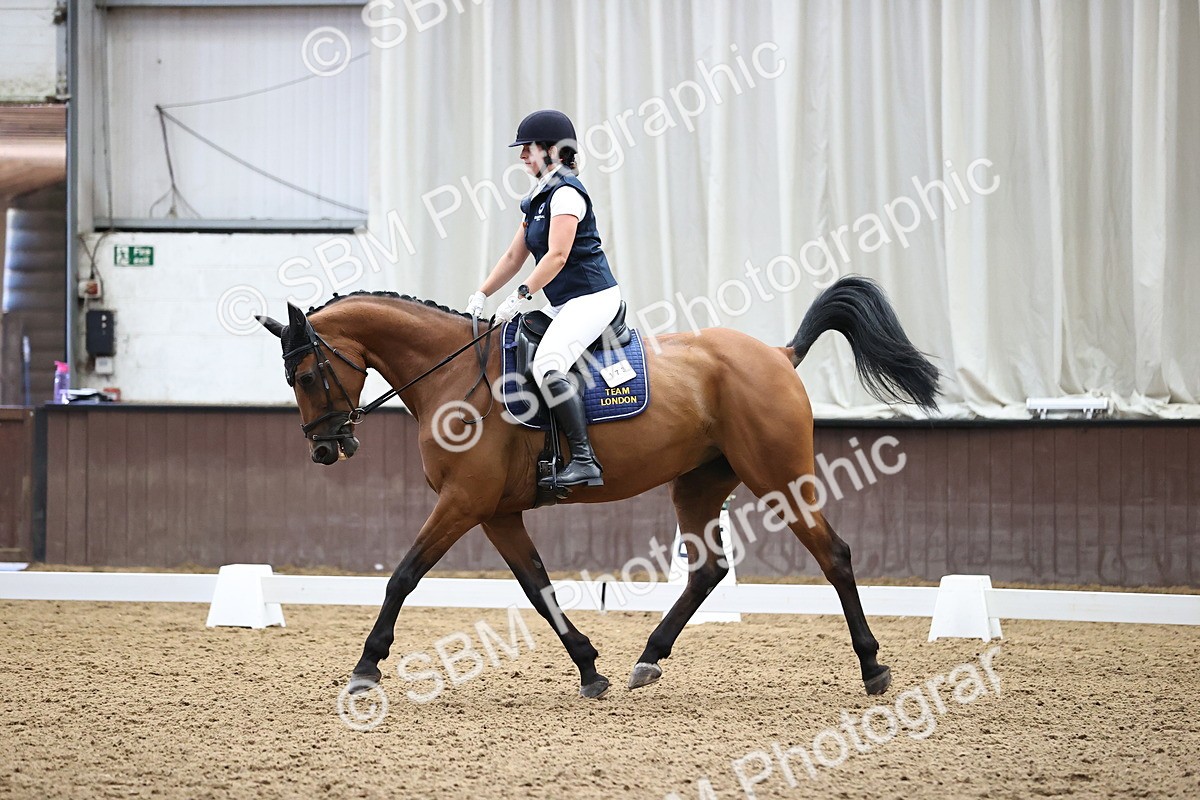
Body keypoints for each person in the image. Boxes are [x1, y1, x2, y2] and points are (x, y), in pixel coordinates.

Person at [467, 109, 621, 487]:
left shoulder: (566, 193)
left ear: (552, 150)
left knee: (548, 364)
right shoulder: (538, 198)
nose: (521, 157)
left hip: (592, 298)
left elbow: (557, 256)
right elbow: (513, 257)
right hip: (563, 302)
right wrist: (482, 293)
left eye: (527, 149)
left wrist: (521, 295)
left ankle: (585, 461)